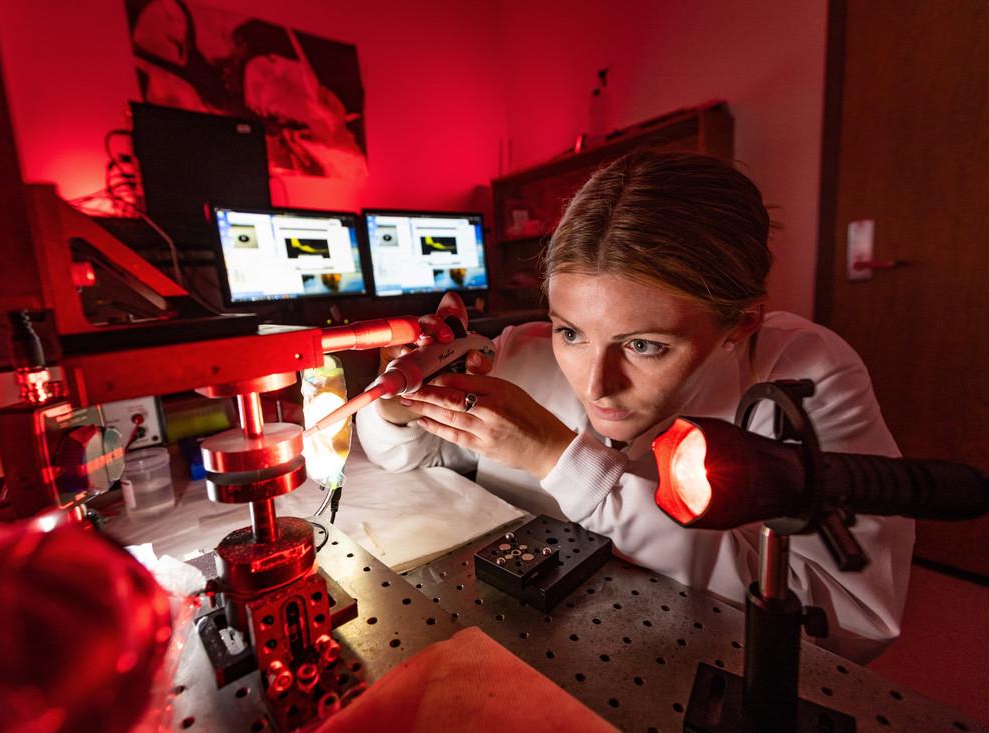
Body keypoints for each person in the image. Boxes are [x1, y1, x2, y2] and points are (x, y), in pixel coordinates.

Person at [356, 149, 913, 664]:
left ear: (740, 324)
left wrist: (564, 462)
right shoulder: (522, 348)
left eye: (644, 345)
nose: (597, 386)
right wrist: (402, 404)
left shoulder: (801, 374)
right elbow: (421, 460)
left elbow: (852, 625)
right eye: (571, 333)